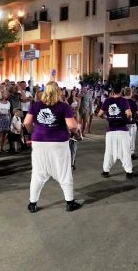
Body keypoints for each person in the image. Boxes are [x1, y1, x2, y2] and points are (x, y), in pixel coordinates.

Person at [23, 81, 81, 213]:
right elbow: (72, 125)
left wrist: (33, 131)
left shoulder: (36, 105)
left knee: (38, 173)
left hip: (39, 141)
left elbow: (26, 122)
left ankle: (33, 204)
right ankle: (69, 203)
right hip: (58, 142)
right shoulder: (63, 106)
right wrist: (74, 132)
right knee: (64, 172)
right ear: (58, 92)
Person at [97, 84, 137, 179]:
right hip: (122, 129)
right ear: (121, 91)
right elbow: (129, 113)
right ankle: (129, 172)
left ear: (112, 91)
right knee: (126, 151)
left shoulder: (107, 100)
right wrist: (128, 118)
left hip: (110, 131)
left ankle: (106, 171)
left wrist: (107, 117)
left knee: (109, 151)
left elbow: (99, 114)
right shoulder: (124, 100)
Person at [123, 87, 138, 159]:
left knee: (124, 138)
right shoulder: (133, 102)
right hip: (131, 122)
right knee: (132, 138)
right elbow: (136, 112)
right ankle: (132, 152)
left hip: (122, 123)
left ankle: (124, 152)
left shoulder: (121, 101)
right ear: (130, 93)